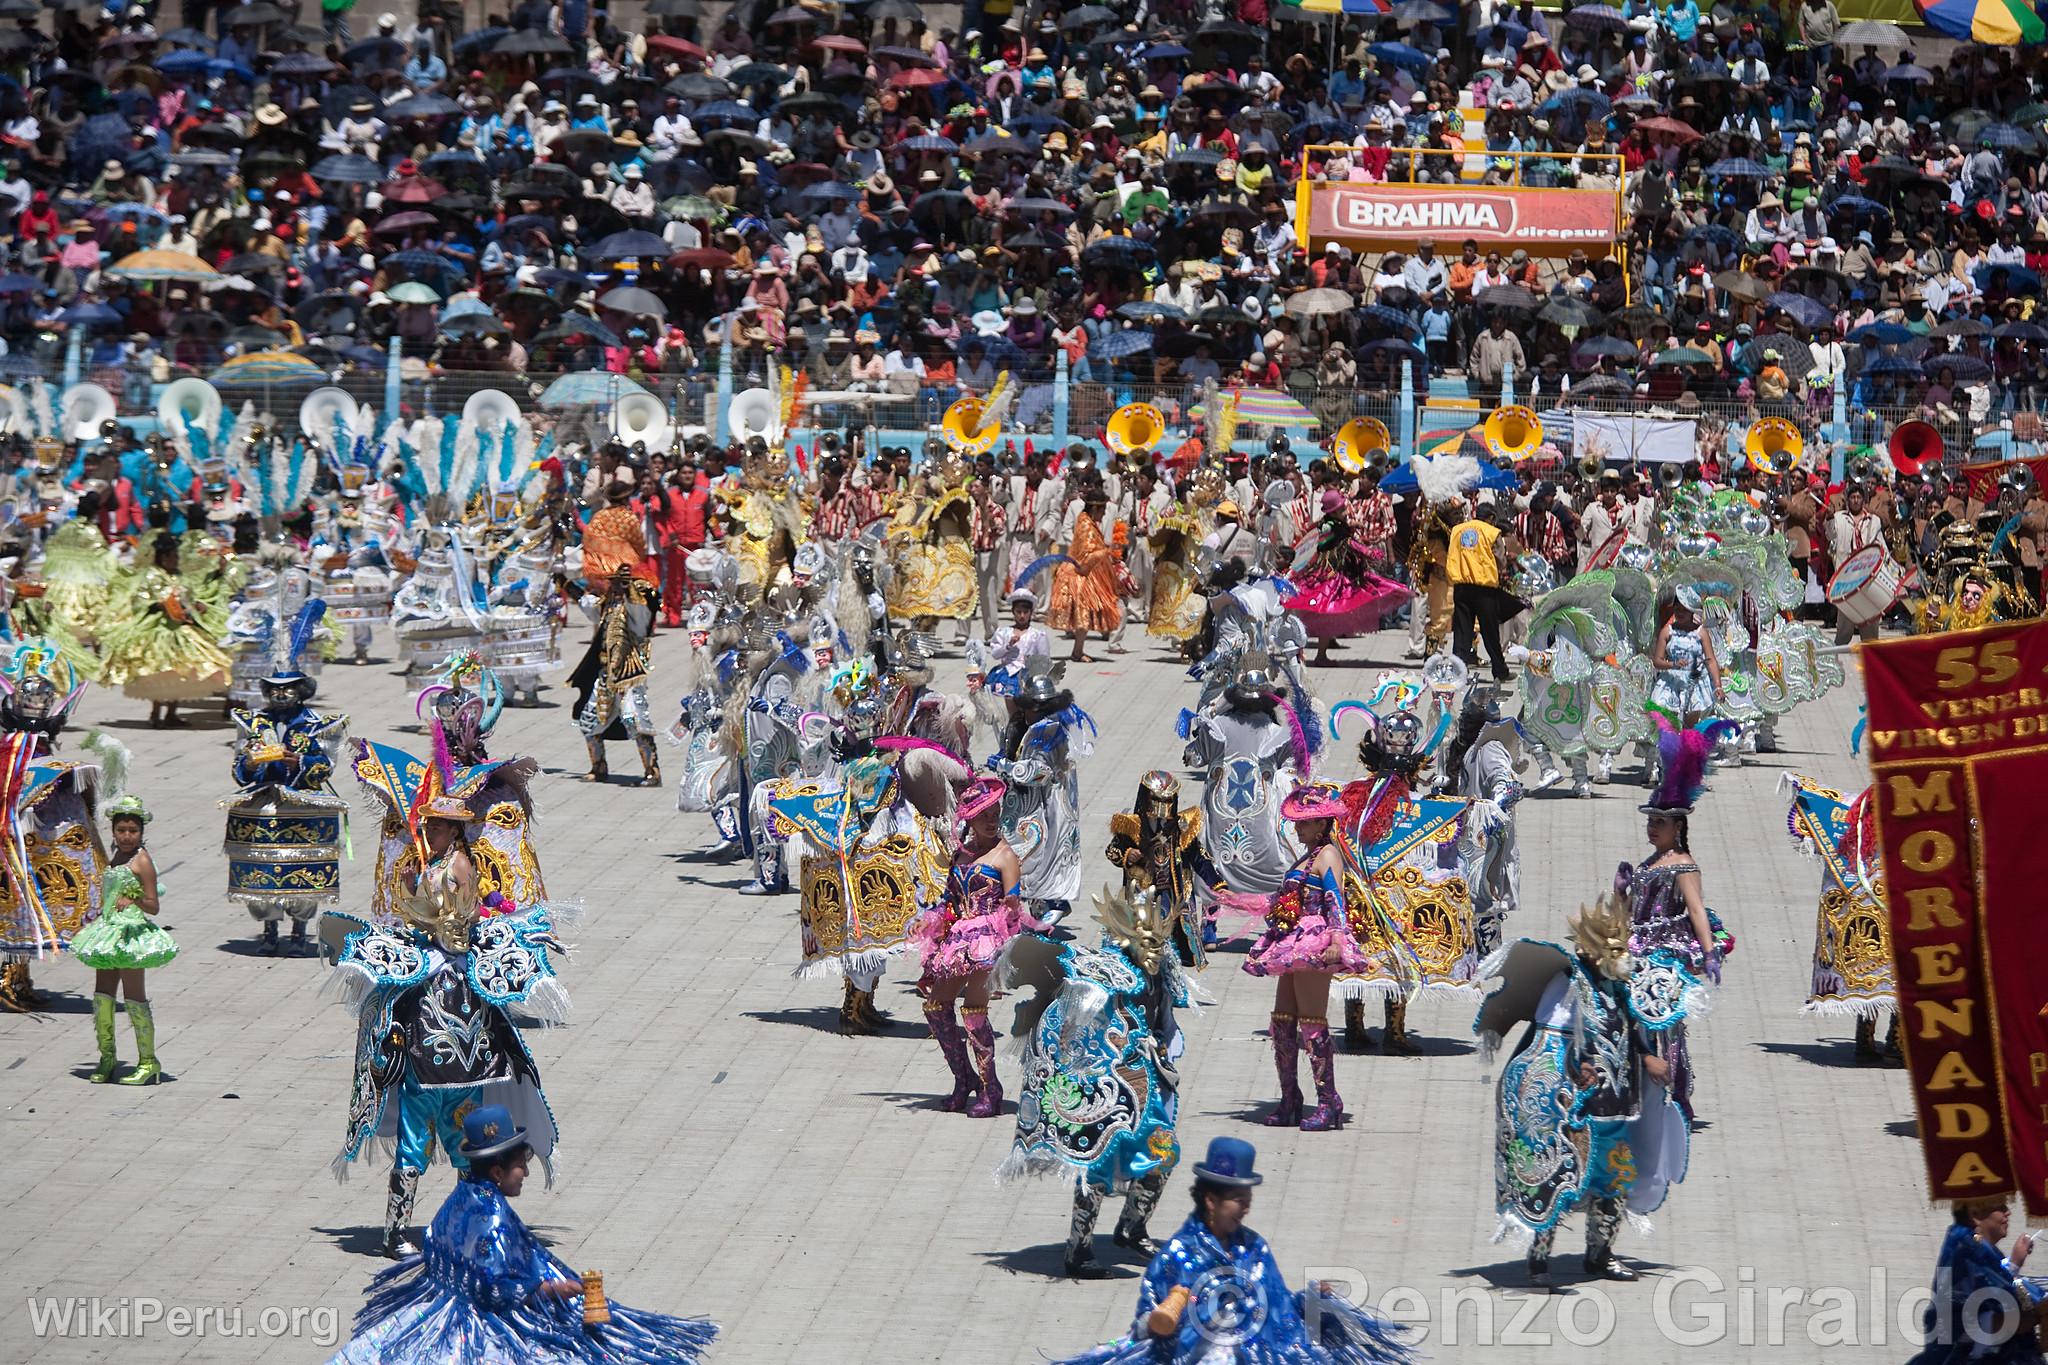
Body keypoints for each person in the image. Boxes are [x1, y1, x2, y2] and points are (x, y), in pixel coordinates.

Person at [326, 794, 571, 1259]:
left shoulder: (456, 867)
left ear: (454, 829)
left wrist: (417, 901)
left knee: (462, 1139)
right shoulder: (437, 862)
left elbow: (457, 921)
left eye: (437, 826)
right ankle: (402, 1230)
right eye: (429, 825)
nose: (430, 831)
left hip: (451, 991)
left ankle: (463, 1227)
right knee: (419, 1134)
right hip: (436, 1011)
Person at [328, 1105, 717, 1364]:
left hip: (432, 1304)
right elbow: (496, 1291)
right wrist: (554, 1290)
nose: (526, 1174)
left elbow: (433, 1244)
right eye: (520, 1166)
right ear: (497, 1172)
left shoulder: (463, 1195)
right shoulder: (492, 1215)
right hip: (472, 1323)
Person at [1475, 890, 1698, 1290]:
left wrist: (1647, 1058)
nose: (1625, 955)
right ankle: (1538, 1258)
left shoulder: (1620, 985)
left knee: (1613, 1182)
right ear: (1595, 952)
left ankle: (1600, 1255)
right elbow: (1548, 1040)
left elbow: (1635, 1026)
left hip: (1617, 1106)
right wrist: (1575, 1070)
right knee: (1557, 1180)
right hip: (1574, 1109)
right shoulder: (1567, 985)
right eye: (1616, 948)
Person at [1040, 1137, 1414, 1363]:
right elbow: (1147, 1327)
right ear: (1210, 1201)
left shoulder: (1255, 1248)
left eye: (1247, 1198)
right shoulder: (1177, 1255)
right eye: (1237, 1199)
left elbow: (1278, 1308)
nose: (1245, 1207)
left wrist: (1312, 1301)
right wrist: (1168, 1320)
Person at [1001, 884, 1195, 1279]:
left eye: (1158, 940)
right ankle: (1078, 1248)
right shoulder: (1102, 977)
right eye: (1146, 942)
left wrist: (1160, 1053)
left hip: (1147, 1081)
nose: (1154, 949)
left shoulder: (1161, 971)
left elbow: (1164, 1024)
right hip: (1105, 1085)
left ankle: (1131, 1227)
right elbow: (1075, 1026)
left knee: (1164, 1153)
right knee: (1099, 1164)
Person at [1243, 783, 1371, 1132]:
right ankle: (1290, 1100)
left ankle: (1328, 1102)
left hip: (1315, 944)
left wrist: (1337, 938)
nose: (1297, 827)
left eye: (1304, 822)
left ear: (1321, 824)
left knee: (1312, 1021)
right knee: (1283, 1021)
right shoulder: (1308, 855)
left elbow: (1335, 900)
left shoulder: (1328, 855)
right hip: (1294, 943)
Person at [1622, 718, 1732, 1119]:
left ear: (1678, 826)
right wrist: (1621, 890)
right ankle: (1638, 1094)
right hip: (1636, 952)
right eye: (1650, 821)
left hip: (1666, 956)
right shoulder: (1649, 862)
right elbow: (1629, 912)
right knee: (1634, 1022)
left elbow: (1697, 910)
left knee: (1665, 1024)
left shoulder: (1684, 865)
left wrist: (1709, 952)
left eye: (1660, 822)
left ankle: (1675, 1096)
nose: (1652, 828)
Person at [226, 613, 349, 955]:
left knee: (302, 868)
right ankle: (268, 930)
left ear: (301, 691)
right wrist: (250, 763)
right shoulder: (251, 722)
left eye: (288, 689)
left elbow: (325, 767)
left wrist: (301, 764)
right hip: (262, 804)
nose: (281, 695)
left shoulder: (317, 725)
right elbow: (237, 767)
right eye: (275, 689)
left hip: (301, 806)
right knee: (262, 869)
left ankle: (299, 930)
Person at [913, 776, 1028, 1118]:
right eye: (985, 816)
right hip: (959, 937)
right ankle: (963, 1080)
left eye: (995, 814)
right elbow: (950, 900)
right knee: (935, 1006)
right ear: (970, 820)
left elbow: (1014, 898)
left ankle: (990, 1088)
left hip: (989, 940)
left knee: (974, 1010)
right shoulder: (960, 854)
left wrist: (1010, 903)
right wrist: (929, 919)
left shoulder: (1005, 855)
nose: (992, 820)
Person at [72, 794, 172, 1086]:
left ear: (142, 832)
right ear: (113, 831)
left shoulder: (142, 861)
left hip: (130, 937)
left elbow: (153, 905)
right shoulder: (117, 856)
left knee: (134, 997)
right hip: (109, 933)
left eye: (133, 831)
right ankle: (107, 1057)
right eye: (121, 830)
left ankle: (148, 1061)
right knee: (102, 997)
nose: (127, 836)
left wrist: (134, 898)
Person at [1904, 1198, 2045, 1365]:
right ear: (1976, 1215)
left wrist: (2014, 1264)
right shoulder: (1969, 1250)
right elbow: (1971, 1320)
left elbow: (1992, 1285)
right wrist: (2033, 1316)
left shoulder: (1972, 1245)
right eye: (2000, 1207)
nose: (2008, 1212)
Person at [1445, 502, 1519, 681]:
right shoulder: (1491, 532)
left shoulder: (1457, 530)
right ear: (1491, 518)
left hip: (1461, 586)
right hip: (1484, 589)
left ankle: (1458, 671)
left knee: (1462, 631)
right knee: (1489, 631)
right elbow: (1500, 560)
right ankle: (1500, 670)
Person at [1648, 584, 1723, 731]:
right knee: (1669, 725)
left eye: (1684, 610)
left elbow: (1711, 660)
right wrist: (1673, 664)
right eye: (1677, 609)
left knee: (1690, 727)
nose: (1680, 613)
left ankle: (1687, 751)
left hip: (1694, 683)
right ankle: (1671, 750)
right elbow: (1657, 661)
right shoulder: (1667, 632)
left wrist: (1718, 685)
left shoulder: (1701, 632)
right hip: (1670, 682)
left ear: (1691, 612)